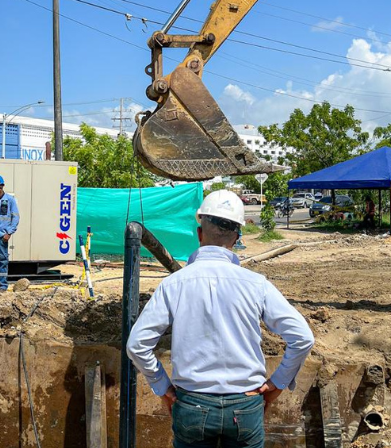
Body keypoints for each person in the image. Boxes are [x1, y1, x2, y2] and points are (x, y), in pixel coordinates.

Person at [127, 190, 315, 448]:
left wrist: (162, 386)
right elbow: (302, 338)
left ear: (199, 233)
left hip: (192, 403)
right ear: (237, 237)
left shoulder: (174, 284)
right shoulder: (256, 284)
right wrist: (277, 383)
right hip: (245, 405)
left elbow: (136, 345)